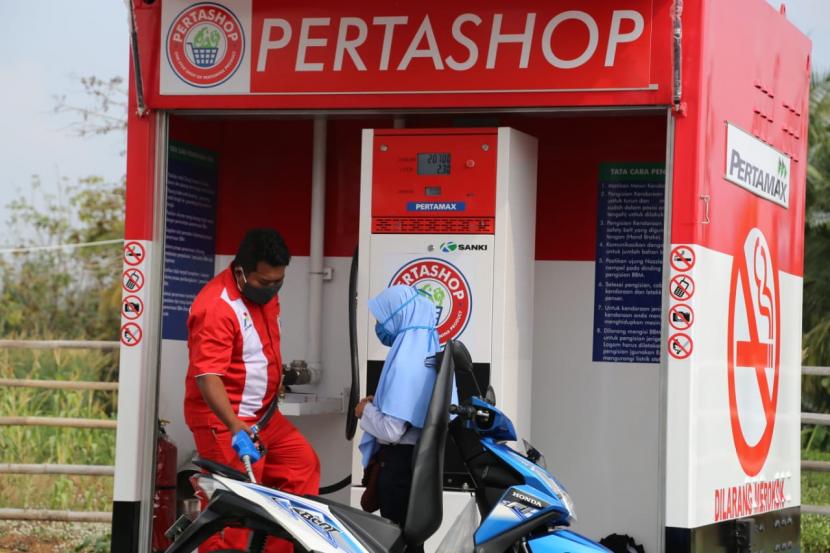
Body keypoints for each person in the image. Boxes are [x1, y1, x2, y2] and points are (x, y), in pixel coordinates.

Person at [184, 228, 320, 553]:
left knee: (301, 467)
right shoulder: (216, 306)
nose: (272, 289)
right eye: (264, 282)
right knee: (232, 509)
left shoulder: (265, 294)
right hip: (227, 422)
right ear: (241, 271)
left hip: (264, 418)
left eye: (278, 282)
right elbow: (207, 376)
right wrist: (234, 425)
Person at [355, 284, 447, 528]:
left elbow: (392, 431)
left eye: (382, 319)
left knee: (398, 539)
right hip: (418, 466)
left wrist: (365, 411)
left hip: (399, 468)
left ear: (400, 316)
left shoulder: (407, 363)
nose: (379, 326)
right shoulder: (427, 354)